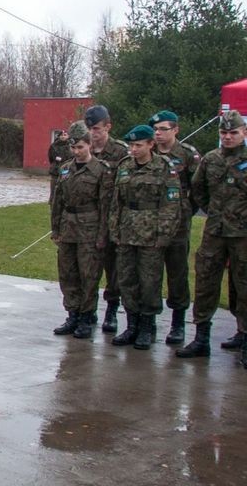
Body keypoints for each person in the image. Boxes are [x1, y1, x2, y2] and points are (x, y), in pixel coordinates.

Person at [178, 110, 247, 363]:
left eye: (233, 133)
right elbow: (198, 191)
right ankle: (201, 338)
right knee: (206, 283)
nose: (227, 137)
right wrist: (215, 212)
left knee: (244, 285)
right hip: (215, 232)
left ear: (244, 133)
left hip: (243, 235)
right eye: (223, 133)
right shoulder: (211, 159)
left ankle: (244, 335)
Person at [107, 124, 181, 350]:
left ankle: (147, 327)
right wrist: (115, 229)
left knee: (149, 282)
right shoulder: (125, 166)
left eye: (138, 145)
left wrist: (163, 234)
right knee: (127, 280)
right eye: (131, 145)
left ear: (151, 144)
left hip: (151, 233)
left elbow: (171, 204)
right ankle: (132, 325)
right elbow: (116, 202)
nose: (134, 149)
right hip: (127, 231)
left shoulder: (164, 167)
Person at [49, 121, 112, 339]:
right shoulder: (65, 169)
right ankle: (72, 314)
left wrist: (103, 235)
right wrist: (55, 228)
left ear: (89, 146)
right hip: (68, 226)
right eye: (73, 148)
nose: (76, 152)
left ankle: (86, 316)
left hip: (90, 227)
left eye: (80, 148)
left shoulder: (101, 170)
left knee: (89, 274)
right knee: (67, 273)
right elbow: (57, 201)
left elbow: (106, 206)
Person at [149, 110, 202, 345]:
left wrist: (185, 210)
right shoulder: (148, 153)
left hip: (178, 226)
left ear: (176, 130)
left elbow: (199, 189)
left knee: (177, 273)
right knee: (149, 274)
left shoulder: (187, 155)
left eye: (163, 129)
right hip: (149, 224)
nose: (159, 134)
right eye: (156, 130)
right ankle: (147, 321)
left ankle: (178, 323)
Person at [85, 105, 130, 333]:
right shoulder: (85, 151)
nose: (93, 133)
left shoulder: (121, 152)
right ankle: (88, 310)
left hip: (113, 220)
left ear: (108, 127)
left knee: (113, 269)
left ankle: (112, 310)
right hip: (90, 220)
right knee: (89, 268)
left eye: (97, 129)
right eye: (90, 129)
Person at [46, 126, 72, 205]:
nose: (63, 136)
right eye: (62, 135)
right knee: (54, 190)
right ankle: (52, 203)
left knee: (65, 189)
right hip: (55, 171)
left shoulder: (71, 146)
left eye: (65, 135)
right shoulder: (54, 146)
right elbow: (51, 157)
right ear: (59, 136)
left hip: (66, 170)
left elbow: (71, 157)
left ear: (68, 136)